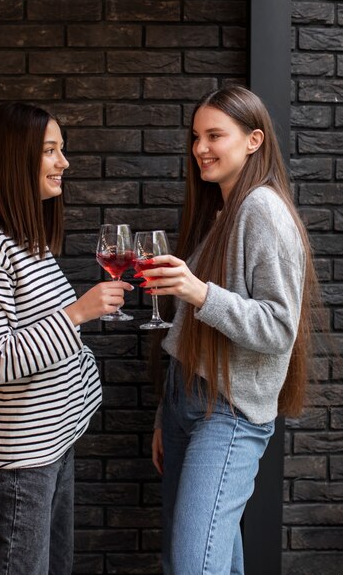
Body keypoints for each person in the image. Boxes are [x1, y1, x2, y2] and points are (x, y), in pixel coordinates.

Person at [135, 85, 319, 575]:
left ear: (254, 140)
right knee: (205, 558)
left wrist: (198, 292)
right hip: (185, 401)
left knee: (194, 564)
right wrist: (164, 411)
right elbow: (189, 334)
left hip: (229, 413)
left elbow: (280, 327)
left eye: (215, 135)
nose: (200, 148)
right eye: (196, 136)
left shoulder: (263, 211)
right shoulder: (222, 210)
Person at [0, 102, 133, 575]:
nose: (64, 162)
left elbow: (48, 337)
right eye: (50, 151)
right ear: (16, 159)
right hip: (21, 462)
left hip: (53, 443)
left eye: (62, 150)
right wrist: (79, 311)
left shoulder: (28, 240)